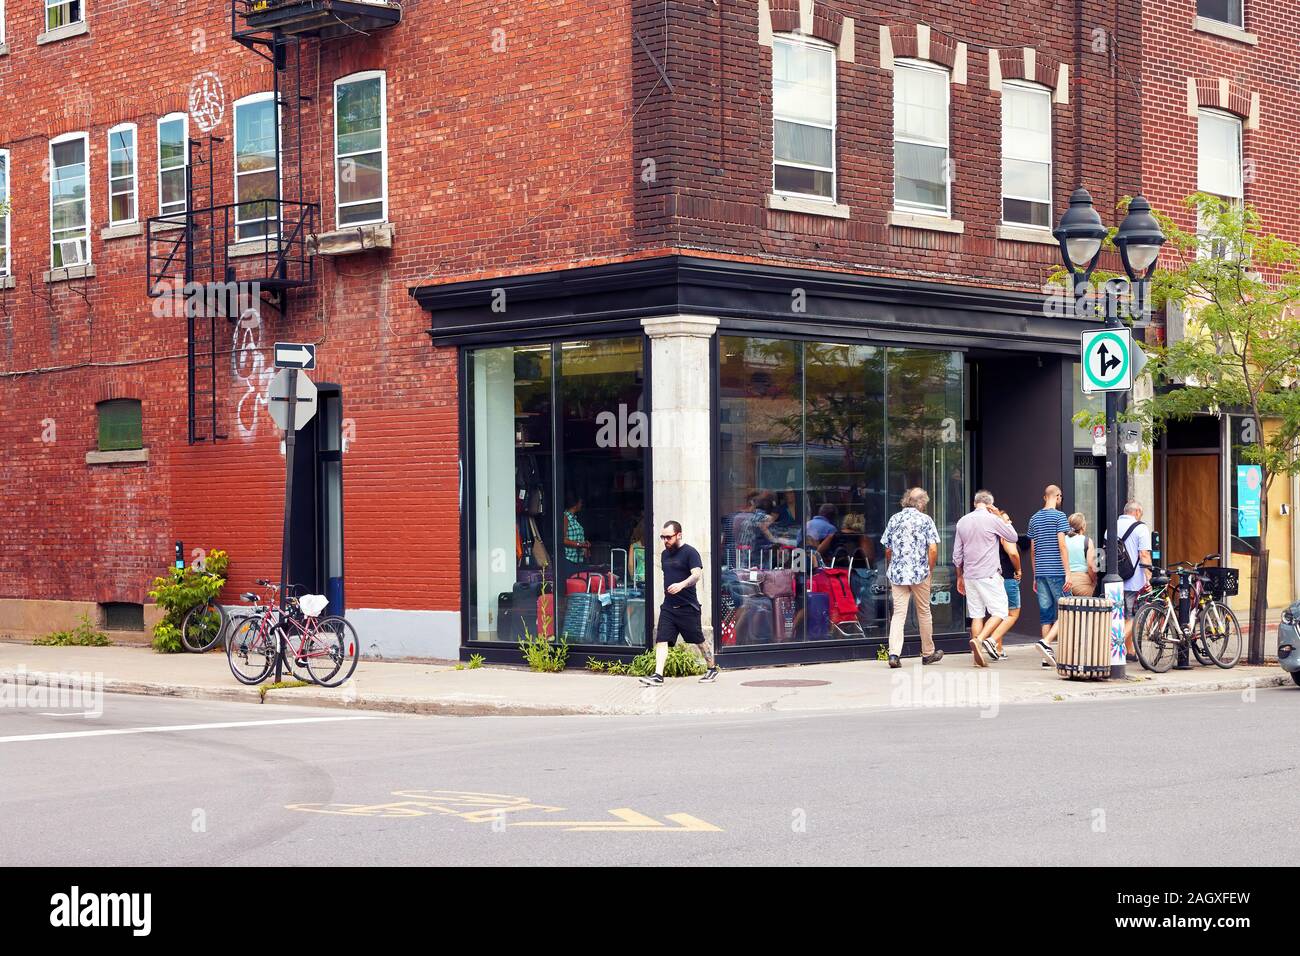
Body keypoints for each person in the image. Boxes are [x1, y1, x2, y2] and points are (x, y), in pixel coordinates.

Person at [641, 521, 718, 685]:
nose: (665, 540)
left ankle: (712, 668)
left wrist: (681, 585)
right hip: (669, 606)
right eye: (663, 537)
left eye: (668, 537)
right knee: (661, 640)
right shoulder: (664, 554)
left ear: (679, 535)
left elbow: (697, 575)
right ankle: (658, 675)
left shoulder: (690, 553)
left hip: (687, 607)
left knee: (698, 640)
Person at [879, 487, 944, 668]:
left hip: (898, 573)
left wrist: (895, 564)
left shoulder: (894, 519)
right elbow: (932, 549)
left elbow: (888, 549)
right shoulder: (925, 520)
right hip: (919, 573)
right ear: (921, 502)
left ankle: (893, 655)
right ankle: (928, 653)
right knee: (924, 612)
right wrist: (929, 569)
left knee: (899, 614)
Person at [953, 490, 1019, 667]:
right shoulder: (993, 519)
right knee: (1001, 611)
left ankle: (977, 658)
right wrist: (1000, 516)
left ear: (975, 503)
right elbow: (1013, 537)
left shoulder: (962, 522)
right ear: (990, 504)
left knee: (976, 615)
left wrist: (959, 576)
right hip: (989, 574)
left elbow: (957, 555)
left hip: (969, 575)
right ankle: (981, 639)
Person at [1027, 484, 1072, 666]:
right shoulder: (1060, 517)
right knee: (1067, 610)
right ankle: (1045, 643)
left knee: (1045, 615)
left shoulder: (1034, 518)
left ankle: (1046, 658)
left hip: (1041, 572)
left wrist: (1035, 575)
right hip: (1057, 571)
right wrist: (1068, 573)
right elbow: (1062, 545)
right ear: (1058, 496)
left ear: (1045, 497)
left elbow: (1032, 550)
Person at [1110, 500, 1152, 658]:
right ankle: (1114, 644)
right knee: (1134, 617)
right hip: (1134, 581)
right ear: (1137, 512)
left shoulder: (1111, 527)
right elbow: (1144, 555)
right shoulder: (1141, 528)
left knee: (1121, 617)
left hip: (1115, 580)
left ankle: (1130, 652)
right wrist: (1149, 578)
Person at [985, 505, 1025, 661]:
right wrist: (1019, 570)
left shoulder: (993, 535)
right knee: (1013, 613)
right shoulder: (1006, 535)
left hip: (995, 577)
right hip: (1008, 577)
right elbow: (1013, 553)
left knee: (999, 613)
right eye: (1007, 520)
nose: (1010, 522)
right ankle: (992, 640)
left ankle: (998, 649)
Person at [1064, 512, 1098, 599]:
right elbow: (1091, 566)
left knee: (1066, 610)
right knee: (1086, 609)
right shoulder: (1086, 541)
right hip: (1082, 583)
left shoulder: (1062, 541)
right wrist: (1094, 581)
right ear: (1083, 526)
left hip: (1064, 582)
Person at [562, 495, 592, 578]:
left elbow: (576, 537)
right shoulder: (565, 518)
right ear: (575, 505)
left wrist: (584, 545)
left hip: (578, 560)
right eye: (580, 503)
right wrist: (580, 544)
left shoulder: (574, 518)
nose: (581, 505)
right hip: (568, 560)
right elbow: (562, 539)